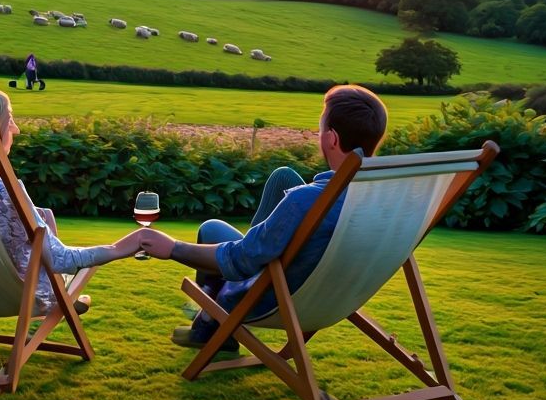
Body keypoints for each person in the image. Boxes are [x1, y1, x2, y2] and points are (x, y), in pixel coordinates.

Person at [138, 84, 388, 351]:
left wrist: (173, 248)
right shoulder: (384, 199)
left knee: (211, 229)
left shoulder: (305, 200)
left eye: (321, 130)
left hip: (273, 297)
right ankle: (211, 322)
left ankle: (210, 323)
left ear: (332, 139)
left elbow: (240, 259)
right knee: (283, 177)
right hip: (334, 298)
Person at [0, 86, 144, 313]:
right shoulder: (4, 191)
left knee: (45, 215)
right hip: (16, 296)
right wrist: (124, 246)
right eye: (9, 120)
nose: (16, 129)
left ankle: (60, 294)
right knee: (47, 242)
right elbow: (61, 258)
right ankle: (59, 297)